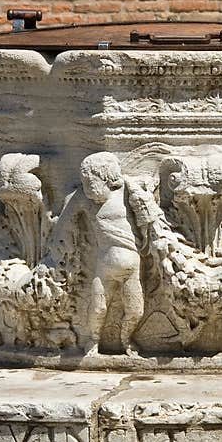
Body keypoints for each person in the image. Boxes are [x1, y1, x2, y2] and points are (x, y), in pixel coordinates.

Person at [79, 152, 144, 356]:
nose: (87, 188)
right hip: (104, 268)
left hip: (131, 269)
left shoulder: (126, 191)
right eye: (84, 183)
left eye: (91, 182)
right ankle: (93, 342)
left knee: (135, 311)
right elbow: (64, 222)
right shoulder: (84, 199)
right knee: (98, 309)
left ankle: (126, 340)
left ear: (106, 177)